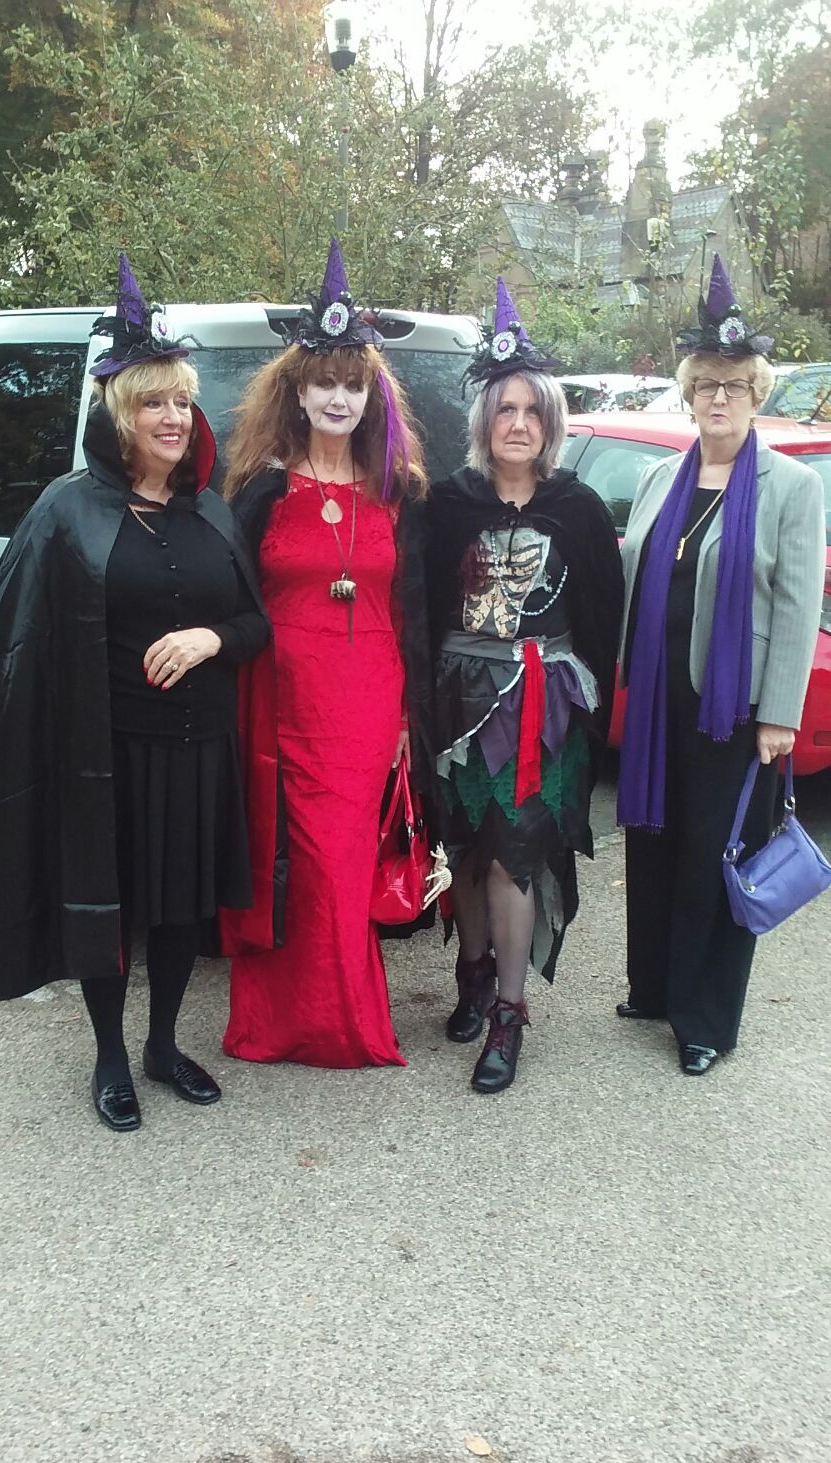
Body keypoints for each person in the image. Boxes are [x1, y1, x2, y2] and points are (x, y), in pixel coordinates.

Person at [0, 253, 269, 1132]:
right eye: (153, 403)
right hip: (106, 754)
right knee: (112, 906)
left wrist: (211, 637)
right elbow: (17, 635)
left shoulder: (212, 510)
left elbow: (256, 625)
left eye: (182, 401)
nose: (174, 417)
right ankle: (110, 1055)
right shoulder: (66, 510)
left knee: (180, 907)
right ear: (120, 416)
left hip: (198, 750)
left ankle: (163, 1045)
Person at [219, 240, 433, 1069]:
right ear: (298, 392)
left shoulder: (398, 491)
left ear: (371, 396)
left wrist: (411, 715)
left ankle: (346, 1021)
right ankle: (277, 1022)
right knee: (293, 861)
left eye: (352, 384)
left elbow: (412, 613)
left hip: (369, 702)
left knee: (342, 861)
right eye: (324, 383)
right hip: (281, 701)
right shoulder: (262, 490)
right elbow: (227, 597)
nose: (338, 397)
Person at [616, 255, 826, 1074]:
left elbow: (797, 605)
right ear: (688, 392)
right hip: (658, 699)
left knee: (717, 852)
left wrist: (781, 715)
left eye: (734, 386)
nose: (718, 398)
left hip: (733, 708)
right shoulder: (659, 477)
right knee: (656, 841)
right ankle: (655, 986)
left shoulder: (790, 487)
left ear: (756, 394)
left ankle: (704, 1019)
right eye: (705, 384)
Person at [425, 280, 624, 1093]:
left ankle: (509, 1013)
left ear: (551, 423)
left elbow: (604, 620)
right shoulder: (445, 505)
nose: (517, 423)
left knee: (514, 856)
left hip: (543, 709)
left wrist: (596, 721)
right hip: (455, 701)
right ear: (484, 421)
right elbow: (416, 608)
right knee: (467, 850)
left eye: (532, 411)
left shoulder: (578, 510)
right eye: (504, 409)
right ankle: (473, 974)